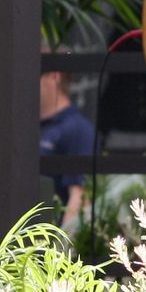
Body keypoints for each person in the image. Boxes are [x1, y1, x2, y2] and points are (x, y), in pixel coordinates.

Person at [39, 67, 97, 227]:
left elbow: (80, 198)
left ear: (53, 76)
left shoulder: (78, 129)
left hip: (46, 236)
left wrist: (61, 241)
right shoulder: (27, 125)